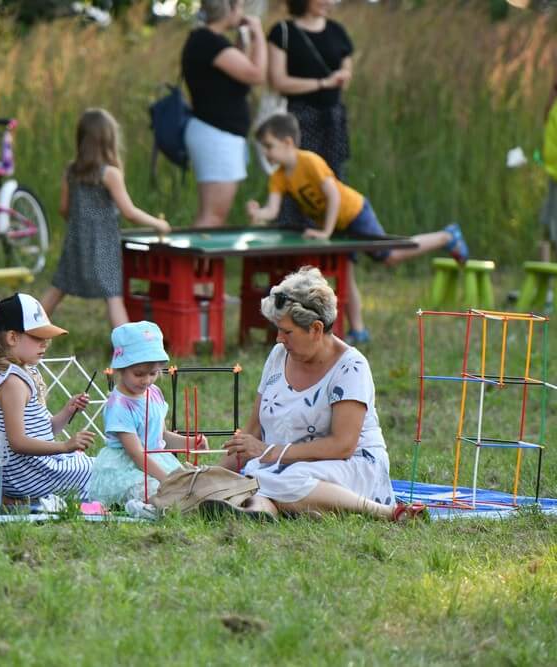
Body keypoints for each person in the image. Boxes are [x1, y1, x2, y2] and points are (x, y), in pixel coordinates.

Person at [220, 267, 426, 521]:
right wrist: (212, 474)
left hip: (352, 466)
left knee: (284, 478)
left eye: (287, 331)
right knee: (258, 474)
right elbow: (252, 432)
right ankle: (258, 512)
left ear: (316, 329)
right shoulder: (278, 356)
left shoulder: (351, 367)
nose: (278, 339)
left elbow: (343, 445)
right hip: (282, 467)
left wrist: (271, 452)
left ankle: (384, 512)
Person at [246, 114, 468, 344]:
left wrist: (325, 232)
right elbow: (271, 210)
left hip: (355, 212)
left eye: (269, 146)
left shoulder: (309, 161)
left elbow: (332, 194)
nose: (266, 153)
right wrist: (258, 213)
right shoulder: (279, 176)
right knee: (346, 275)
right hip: (337, 225)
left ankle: (446, 236)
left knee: (389, 256)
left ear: (288, 142)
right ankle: (359, 331)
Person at [41, 109, 171, 329]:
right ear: (108, 140)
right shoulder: (109, 174)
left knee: (58, 288)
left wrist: (80, 224)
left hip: (76, 241)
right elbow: (129, 212)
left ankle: (27, 331)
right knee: (113, 296)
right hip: (104, 244)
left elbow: (64, 209)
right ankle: (129, 348)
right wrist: (158, 224)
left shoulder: (70, 171)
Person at [0, 293, 94, 500]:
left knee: (94, 464)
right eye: (38, 337)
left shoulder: (26, 372)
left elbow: (45, 431)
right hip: (26, 477)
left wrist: (68, 410)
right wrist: (65, 447)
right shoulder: (13, 383)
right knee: (101, 471)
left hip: (36, 470)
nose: (46, 343)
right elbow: (18, 442)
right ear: (13, 337)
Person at [88, 321, 206, 507]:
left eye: (153, 373)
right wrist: (167, 480)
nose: (146, 380)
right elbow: (136, 453)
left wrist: (189, 443)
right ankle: (144, 507)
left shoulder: (154, 393)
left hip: (155, 459)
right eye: (138, 374)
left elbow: (162, 435)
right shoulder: (119, 405)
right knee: (154, 490)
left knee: (191, 485)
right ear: (121, 368)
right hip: (128, 468)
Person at [266, 0, 353, 227]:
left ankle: (332, 235)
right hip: (300, 119)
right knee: (297, 178)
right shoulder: (283, 32)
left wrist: (341, 77)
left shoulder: (337, 31)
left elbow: (346, 71)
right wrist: (322, 83)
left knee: (332, 180)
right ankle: (293, 240)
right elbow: (278, 80)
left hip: (332, 120)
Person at [181, 0, 266, 228]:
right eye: (239, 6)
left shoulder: (210, 42)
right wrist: (258, 35)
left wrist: (242, 40)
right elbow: (256, 74)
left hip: (218, 134)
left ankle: (199, 263)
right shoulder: (208, 41)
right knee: (212, 216)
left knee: (212, 215)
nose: (242, 12)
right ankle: (196, 264)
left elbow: (236, 73)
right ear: (227, 8)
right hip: (217, 135)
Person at [538, 47, 557, 266]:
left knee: (551, 226)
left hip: (553, 172)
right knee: (551, 227)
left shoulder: (552, 105)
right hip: (554, 173)